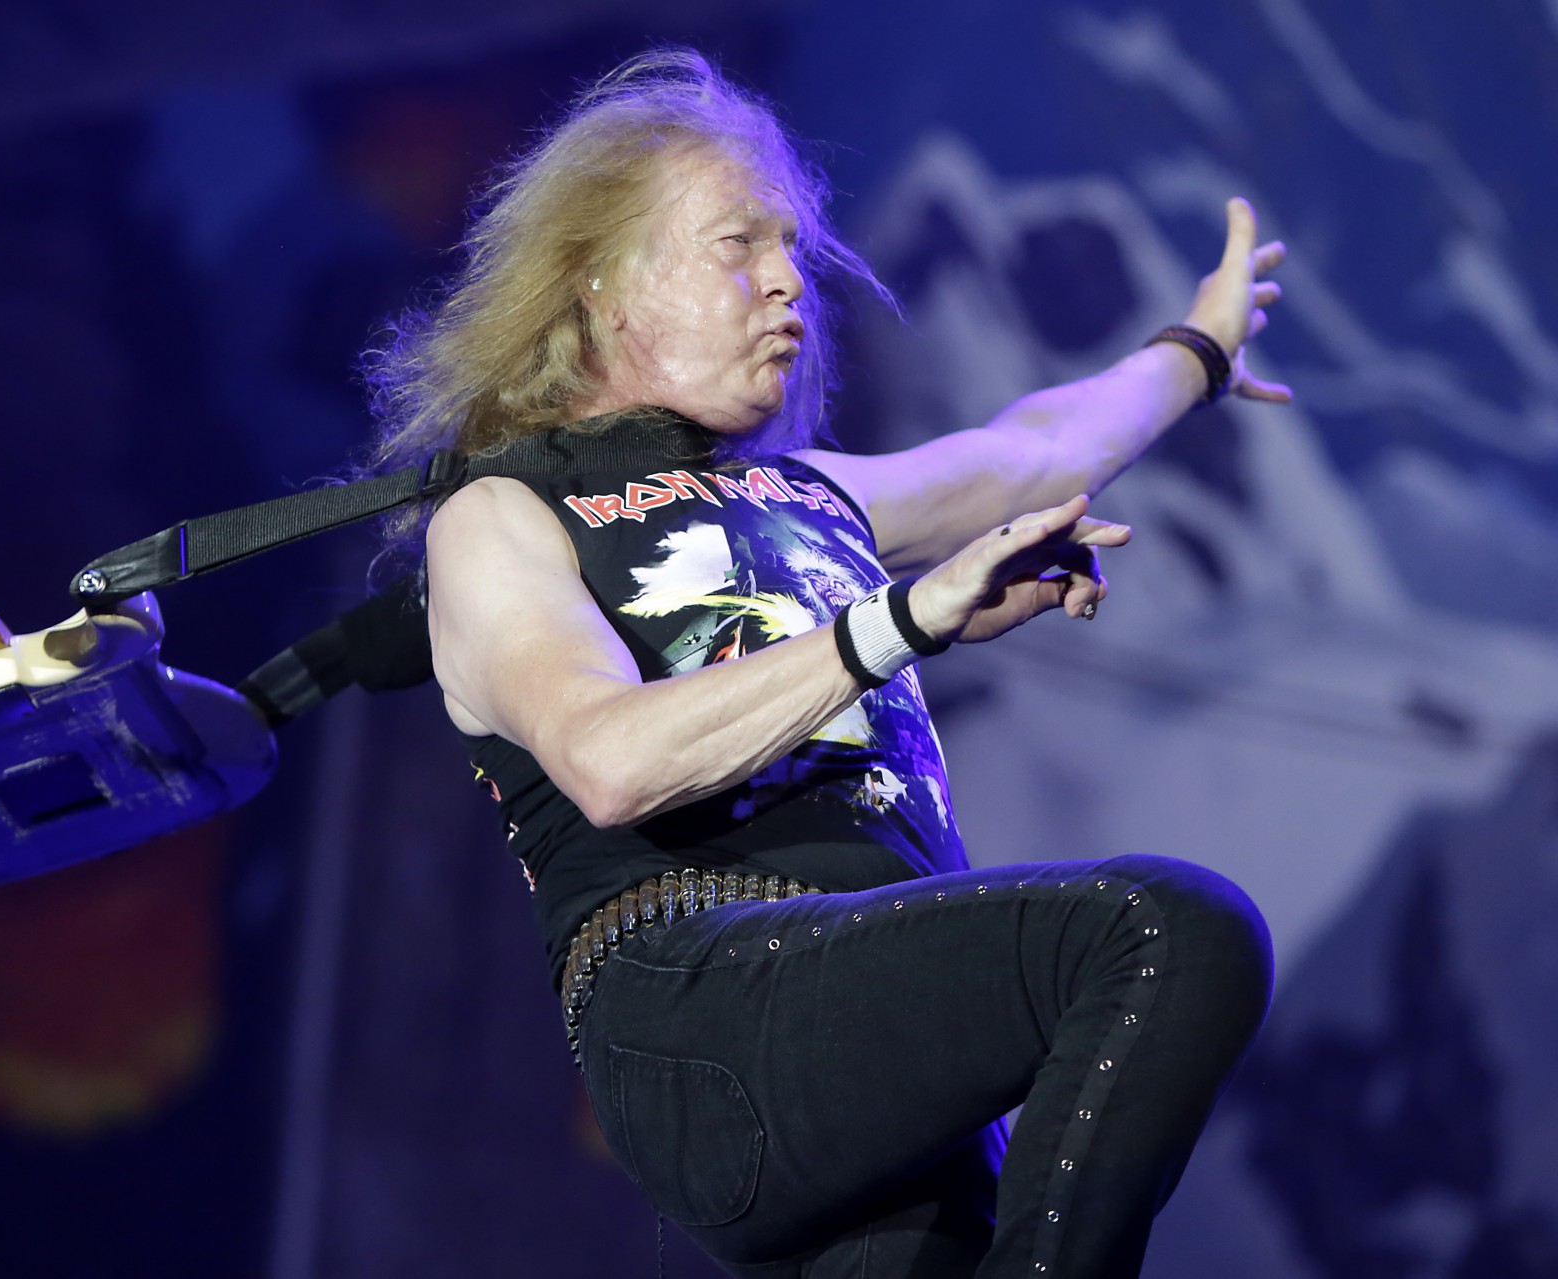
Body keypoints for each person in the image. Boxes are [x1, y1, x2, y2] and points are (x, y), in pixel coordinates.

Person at [372, 48, 1281, 1278]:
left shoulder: (814, 494)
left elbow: (1035, 451)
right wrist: (897, 623)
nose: (788, 283)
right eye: (739, 245)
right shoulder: (503, 515)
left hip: (871, 1027)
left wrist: (1201, 349)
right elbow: (608, 760)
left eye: (794, 250)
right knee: (1163, 931)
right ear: (601, 282)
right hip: (703, 1007)